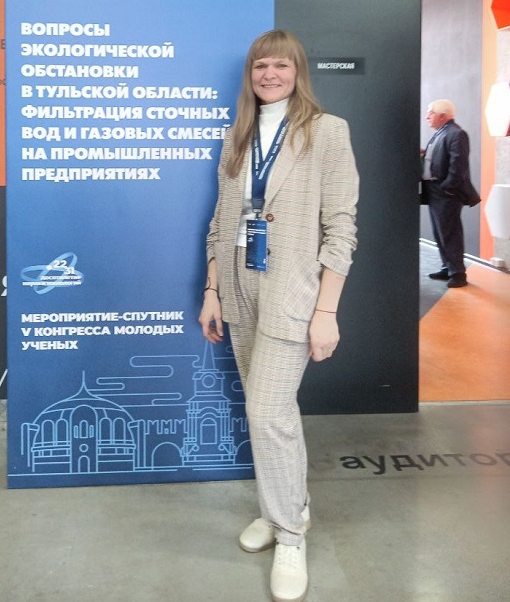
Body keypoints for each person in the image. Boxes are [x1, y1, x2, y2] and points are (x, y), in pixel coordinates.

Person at [198, 30, 358, 602]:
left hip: (293, 291)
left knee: (268, 415)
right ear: (251, 74)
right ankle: (282, 508)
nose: (270, 74)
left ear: (298, 71)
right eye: (260, 66)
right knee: (267, 410)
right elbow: (221, 219)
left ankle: (291, 535)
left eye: (281, 65)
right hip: (240, 287)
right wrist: (213, 290)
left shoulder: (327, 131)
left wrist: (327, 310)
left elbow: (341, 227)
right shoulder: (237, 135)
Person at [421, 99, 480, 288]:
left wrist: (447, 187)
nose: (427, 117)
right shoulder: (440, 133)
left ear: (442, 116)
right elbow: (439, 158)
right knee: (439, 232)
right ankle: (447, 267)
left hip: (445, 192)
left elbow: (458, 165)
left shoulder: (456, 134)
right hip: (434, 191)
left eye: (430, 113)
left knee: (450, 233)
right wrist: (424, 154)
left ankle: (458, 274)